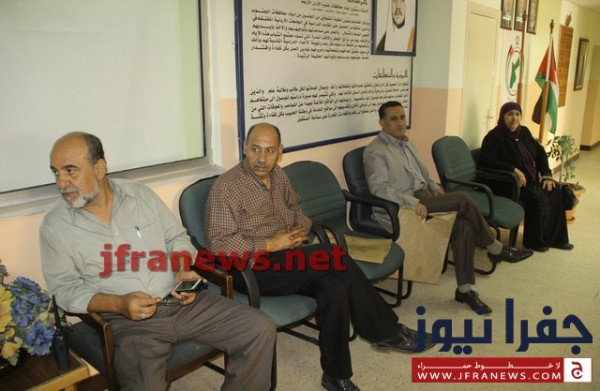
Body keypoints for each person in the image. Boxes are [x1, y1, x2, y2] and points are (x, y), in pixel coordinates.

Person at [205, 123, 436, 391]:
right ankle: (386, 331)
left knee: (334, 288)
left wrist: (296, 232)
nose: (261, 158)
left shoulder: (278, 176)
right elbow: (218, 245)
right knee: (332, 254)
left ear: (280, 152)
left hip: (288, 260)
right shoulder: (227, 187)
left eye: (269, 151)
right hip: (251, 269)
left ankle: (335, 376)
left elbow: (297, 212)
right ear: (245, 147)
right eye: (255, 149)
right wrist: (270, 243)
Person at [40, 132, 276, 390]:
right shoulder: (55, 225)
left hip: (181, 301)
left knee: (259, 327)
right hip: (129, 322)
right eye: (56, 173)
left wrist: (182, 269)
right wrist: (119, 304)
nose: (61, 183)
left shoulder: (140, 195)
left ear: (99, 168)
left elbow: (176, 238)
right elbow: (64, 289)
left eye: (70, 171)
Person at [363, 101, 534, 315]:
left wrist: (434, 186)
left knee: (463, 225)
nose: (400, 123)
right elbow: (378, 188)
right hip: (402, 206)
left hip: (423, 196)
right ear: (382, 122)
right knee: (462, 199)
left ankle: (464, 290)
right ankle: (495, 248)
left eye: (402, 117)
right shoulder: (375, 150)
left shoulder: (407, 143)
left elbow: (421, 176)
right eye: (393, 119)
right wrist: (413, 202)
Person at [479, 102, 574, 253]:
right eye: (510, 114)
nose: (514, 118)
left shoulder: (523, 132)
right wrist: (513, 169)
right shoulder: (493, 137)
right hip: (506, 183)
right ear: (502, 116)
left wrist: (546, 174)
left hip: (528, 179)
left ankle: (556, 239)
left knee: (554, 189)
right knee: (535, 197)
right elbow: (486, 161)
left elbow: (539, 151)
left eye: (517, 114)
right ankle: (534, 241)